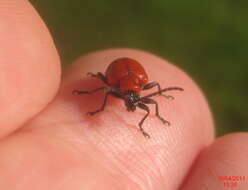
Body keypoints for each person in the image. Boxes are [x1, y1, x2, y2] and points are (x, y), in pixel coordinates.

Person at [0, 1, 247, 189]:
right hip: (118, 71)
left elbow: (145, 101)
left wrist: (157, 111)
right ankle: (97, 100)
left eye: (133, 99)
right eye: (131, 99)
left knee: (150, 106)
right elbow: (107, 89)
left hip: (130, 74)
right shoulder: (117, 87)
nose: (131, 103)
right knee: (104, 89)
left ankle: (154, 110)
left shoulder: (140, 89)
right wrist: (97, 102)